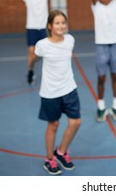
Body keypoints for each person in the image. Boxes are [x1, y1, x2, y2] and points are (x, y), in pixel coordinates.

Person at [35, 10, 82, 175]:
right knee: (53, 125)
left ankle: (61, 152)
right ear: (50, 26)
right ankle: (49, 159)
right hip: (50, 92)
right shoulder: (43, 45)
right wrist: (31, 67)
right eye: (57, 23)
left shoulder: (70, 40)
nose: (61, 26)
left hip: (69, 89)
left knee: (75, 122)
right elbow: (35, 55)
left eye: (63, 22)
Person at [16, 0, 57, 85]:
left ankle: (50, 73)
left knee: (47, 51)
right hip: (32, 28)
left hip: (43, 29)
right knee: (31, 52)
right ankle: (30, 70)